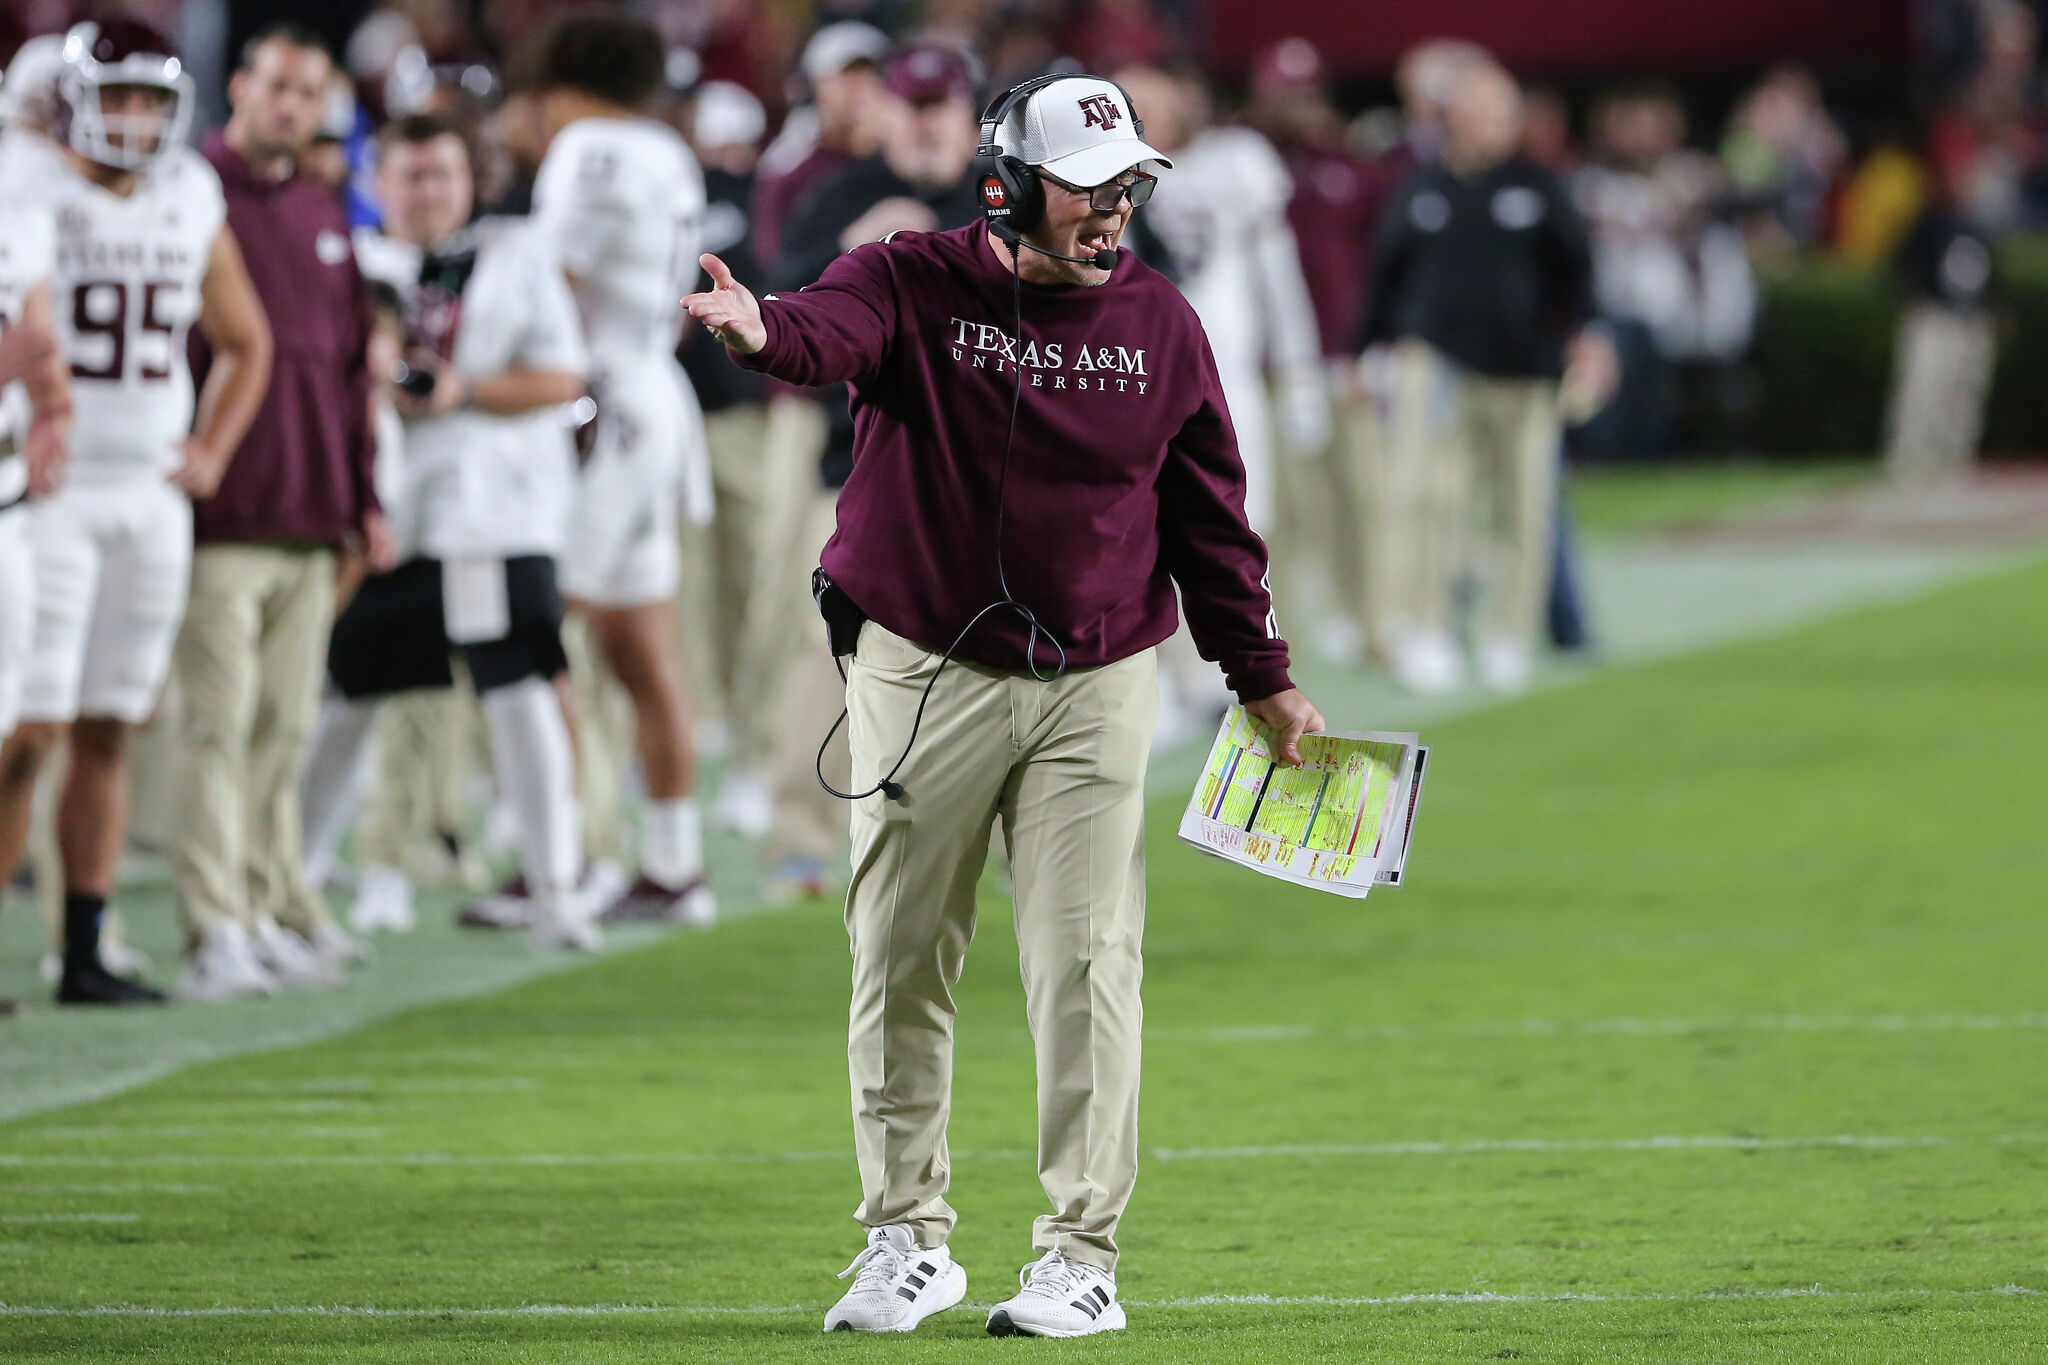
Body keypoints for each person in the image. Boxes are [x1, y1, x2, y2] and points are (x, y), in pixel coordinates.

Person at [684, 72, 1324, 1338]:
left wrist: (1261, 677)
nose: (1112, 212)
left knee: (1087, 964)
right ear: (1005, 184)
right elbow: (821, 332)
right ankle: (903, 1239)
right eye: (1086, 188)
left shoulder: (1162, 323)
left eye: (1127, 186)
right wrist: (759, 331)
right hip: (923, 672)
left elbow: (1208, 520)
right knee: (899, 950)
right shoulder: (911, 277)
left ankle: (1080, 1255)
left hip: (1097, 683)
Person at [0, 19, 273, 1006]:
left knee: (112, 723)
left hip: (149, 493)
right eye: (116, 96)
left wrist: (210, 447)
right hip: (49, 495)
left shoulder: (188, 194)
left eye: (152, 100)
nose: (135, 118)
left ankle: (84, 946)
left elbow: (246, 341)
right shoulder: (25, 186)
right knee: (26, 731)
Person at [297, 113, 595, 951]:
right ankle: (293, 884)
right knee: (344, 694)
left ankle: (555, 885)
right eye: (412, 175)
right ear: (376, 182)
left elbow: (561, 376)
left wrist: (461, 389)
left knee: (520, 686)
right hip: (386, 511)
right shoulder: (346, 261)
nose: (429, 192)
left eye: (444, 174)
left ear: (472, 182)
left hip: (494, 510)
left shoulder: (516, 256)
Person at [169, 24, 389, 1002]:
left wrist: (364, 496)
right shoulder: (185, 194)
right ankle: (212, 925)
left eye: (309, 93)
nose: (293, 107)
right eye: (278, 87)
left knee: (285, 728)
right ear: (241, 88)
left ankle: (262, 904)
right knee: (219, 728)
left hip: (311, 511)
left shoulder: (318, 204)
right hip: (222, 509)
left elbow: (350, 377)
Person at [524, 11, 716, 926]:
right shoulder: (665, 150)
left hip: (602, 406)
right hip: (653, 397)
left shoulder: (591, 148)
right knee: (640, 645)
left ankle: (560, 857)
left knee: (535, 629)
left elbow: (549, 284)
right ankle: (675, 864)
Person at [1360, 61, 1608, 694]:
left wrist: (1589, 339)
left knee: (1525, 508)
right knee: (1431, 500)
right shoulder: (1421, 190)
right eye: (1481, 112)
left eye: (1503, 113)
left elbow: (1577, 274)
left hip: (1526, 372)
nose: (1493, 126)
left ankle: (1506, 636)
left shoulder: (1539, 187)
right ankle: (1430, 628)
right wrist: (1362, 354)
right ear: (1454, 118)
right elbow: (1385, 279)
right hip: (1438, 364)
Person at [0, 149, 71, 1021]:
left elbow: (39, 349)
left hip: (11, 506)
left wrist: (53, 404)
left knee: (17, 736)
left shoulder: (18, 215)